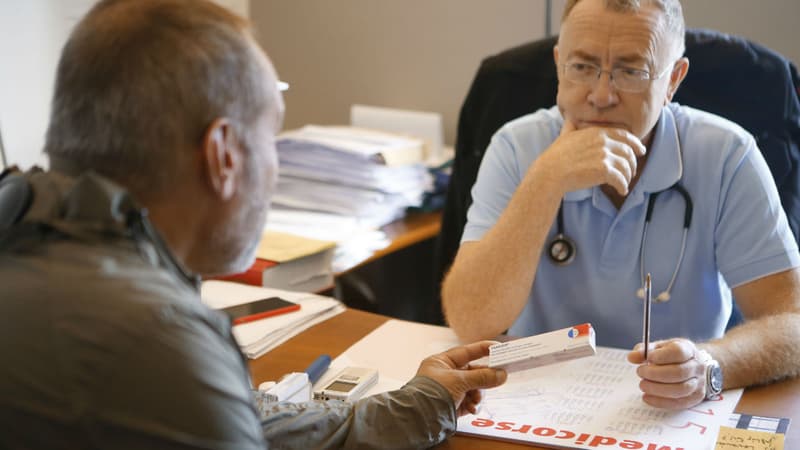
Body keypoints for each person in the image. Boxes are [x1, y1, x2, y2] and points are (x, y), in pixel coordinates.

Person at [0, 0, 507, 448]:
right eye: (272, 135)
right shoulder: (156, 340)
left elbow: (243, 419)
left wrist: (416, 407)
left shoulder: (39, 230)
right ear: (223, 155)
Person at [442, 0, 800, 410]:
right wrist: (545, 180)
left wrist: (710, 366)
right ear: (559, 64)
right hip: (538, 402)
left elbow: (792, 324)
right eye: (582, 66)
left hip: (669, 408)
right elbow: (471, 321)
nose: (600, 95)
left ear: (673, 80)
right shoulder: (516, 147)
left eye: (631, 71)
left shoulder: (726, 155)